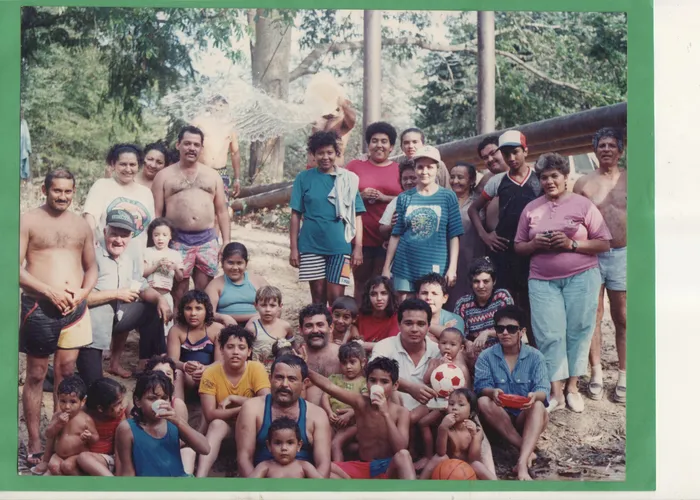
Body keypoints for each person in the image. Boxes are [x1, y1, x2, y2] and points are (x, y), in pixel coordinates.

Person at [514, 153, 612, 413]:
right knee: (549, 334)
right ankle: (555, 392)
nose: (549, 181)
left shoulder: (583, 205)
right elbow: (518, 246)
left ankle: (572, 387)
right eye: (544, 177)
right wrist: (534, 244)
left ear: (565, 177)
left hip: (582, 277)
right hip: (542, 280)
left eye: (554, 176)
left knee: (579, 330)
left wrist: (572, 244)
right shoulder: (532, 208)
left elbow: (604, 242)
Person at [20, 169, 97, 467]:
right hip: (39, 306)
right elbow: (14, 268)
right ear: (45, 189)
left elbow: (91, 267)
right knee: (37, 375)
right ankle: (36, 440)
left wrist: (83, 293)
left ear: (74, 191)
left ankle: (59, 437)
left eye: (67, 191)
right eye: (57, 190)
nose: (62, 196)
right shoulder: (29, 220)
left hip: (75, 309)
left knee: (66, 374)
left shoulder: (81, 225)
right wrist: (50, 291)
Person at [79, 209, 172, 383]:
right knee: (92, 383)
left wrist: (161, 299)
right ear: (105, 231)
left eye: (124, 235)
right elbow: (81, 298)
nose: (119, 240)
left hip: (118, 316)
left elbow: (141, 285)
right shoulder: (92, 254)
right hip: (92, 326)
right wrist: (116, 294)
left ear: (131, 236)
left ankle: (150, 364)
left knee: (153, 309)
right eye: (114, 234)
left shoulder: (129, 256)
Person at [467, 130, 541, 345]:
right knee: (506, 303)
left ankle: (533, 350)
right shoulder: (498, 181)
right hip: (503, 251)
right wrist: (486, 236)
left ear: (526, 151)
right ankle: (509, 349)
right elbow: (474, 209)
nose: (511, 158)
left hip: (531, 252)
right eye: (506, 153)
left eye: (515, 152)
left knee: (530, 304)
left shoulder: (538, 179)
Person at [573, 127, 628, 403]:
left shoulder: (631, 179)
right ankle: (596, 373)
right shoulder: (583, 183)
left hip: (623, 253)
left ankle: (623, 375)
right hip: (592, 255)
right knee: (593, 315)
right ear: (595, 150)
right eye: (601, 145)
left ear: (620, 150)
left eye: (611, 145)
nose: (606, 149)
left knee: (623, 317)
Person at [152, 126, 231, 307]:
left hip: (207, 240)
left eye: (196, 144)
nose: (191, 148)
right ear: (178, 145)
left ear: (202, 148)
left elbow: (222, 211)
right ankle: (179, 330)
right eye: (187, 143)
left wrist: (226, 241)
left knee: (205, 291)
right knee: (178, 291)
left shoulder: (213, 175)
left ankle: (200, 332)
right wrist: (157, 244)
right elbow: (157, 213)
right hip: (177, 239)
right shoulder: (164, 176)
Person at [306, 356, 415, 479]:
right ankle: (355, 485)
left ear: (395, 385)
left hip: (389, 467)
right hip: (365, 467)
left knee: (404, 455)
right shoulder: (360, 403)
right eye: (373, 380)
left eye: (384, 382)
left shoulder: (402, 412)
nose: (377, 386)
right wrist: (305, 368)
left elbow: (400, 448)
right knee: (327, 470)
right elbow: (330, 387)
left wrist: (386, 414)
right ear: (366, 382)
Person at [290, 131, 365, 306]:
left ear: (336, 153)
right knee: (317, 296)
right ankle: (319, 332)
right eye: (320, 153)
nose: (325, 157)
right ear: (313, 155)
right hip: (310, 244)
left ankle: (337, 333)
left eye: (330, 152)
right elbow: (295, 215)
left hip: (340, 245)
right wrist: (294, 248)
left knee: (337, 297)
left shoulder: (347, 180)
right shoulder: (303, 178)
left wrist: (358, 247)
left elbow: (357, 215)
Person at [475, 306, 550, 481]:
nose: (505, 333)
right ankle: (526, 449)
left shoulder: (536, 357)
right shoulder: (486, 356)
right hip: (499, 418)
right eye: (500, 329)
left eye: (512, 328)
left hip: (526, 416)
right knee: (483, 402)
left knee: (538, 404)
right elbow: (480, 387)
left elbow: (544, 390)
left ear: (522, 332)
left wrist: (534, 396)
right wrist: (492, 391)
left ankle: (522, 463)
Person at [383, 146, 463, 299]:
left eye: (430, 167)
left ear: (437, 169)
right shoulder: (404, 197)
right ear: (415, 169)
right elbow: (396, 234)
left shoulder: (448, 197)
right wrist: (386, 267)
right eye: (420, 167)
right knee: (405, 310)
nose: (424, 171)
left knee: (429, 309)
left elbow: (454, 235)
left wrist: (452, 268)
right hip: (405, 264)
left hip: (435, 264)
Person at [236, 355, 332, 478]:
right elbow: (244, 459)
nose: (284, 384)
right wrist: (258, 492)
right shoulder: (252, 408)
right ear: (270, 379)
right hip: (262, 485)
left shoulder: (317, 415)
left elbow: (323, 464)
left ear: (304, 383)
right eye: (279, 378)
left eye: (292, 379)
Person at [196, 325, 271, 477]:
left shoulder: (256, 368)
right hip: (227, 427)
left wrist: (235, 399)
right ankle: (200, 478)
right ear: (222, 350)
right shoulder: (210, 373)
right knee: (217, 424)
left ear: (249, 351)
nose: (236, 352)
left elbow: (267, 401)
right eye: (230, 347)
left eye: (241, 347)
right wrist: (243, 408)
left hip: (253, 427)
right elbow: (210, 414)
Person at [346, 122, 402, 302]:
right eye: (374, 141)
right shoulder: (355, 166)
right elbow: (343, 195)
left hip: (388, 237)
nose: (379, 145)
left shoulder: (399, 169)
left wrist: (384, 197)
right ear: (368, 145)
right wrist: (360, 196)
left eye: (384, 141)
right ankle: (359, 324)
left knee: (382, 285)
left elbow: (407, 197)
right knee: (361, 283)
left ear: (392, 146)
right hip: (359, 237)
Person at [115, 371, 210, 476]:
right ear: (138, 401)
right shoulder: (127, 429)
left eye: (164, 398)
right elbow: (128, 471)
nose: (159, 404)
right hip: (147, 488)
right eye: (152, 398)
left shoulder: (174, 423)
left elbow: (205, 449)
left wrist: (179, 422)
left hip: (177, 485)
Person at [83, 143, 155, 265]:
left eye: (132, 164)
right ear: (113, 164)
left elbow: (151, 227)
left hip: (137, 259)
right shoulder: (102, 185)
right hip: (106, 257)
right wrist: (91, 242)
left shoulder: (146, 192)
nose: (128, 169)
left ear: (139, 166)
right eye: (123, 164)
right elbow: (89, 216)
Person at [417, 327, 470, 466]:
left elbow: (466, 392)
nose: (447, 347)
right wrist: (438, 367)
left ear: (461, 348)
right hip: (435, 403)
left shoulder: (460, 367)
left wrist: (453, 406)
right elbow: (426, 380)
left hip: (452, 407)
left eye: (453, 345)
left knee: (427, 423)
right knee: (421, 422)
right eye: (444, 343)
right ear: (438, 344)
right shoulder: (434, 361)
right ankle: (428, 456)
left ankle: (445, 457)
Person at [454, 257, 515, 374]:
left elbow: (511, 327)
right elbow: (457, 333)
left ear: (494, 281)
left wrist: (487, 333)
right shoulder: (463, 304)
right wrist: (466, 342)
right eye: (476, 281)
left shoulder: (502, 297)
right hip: (474, 355)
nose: (481, 286)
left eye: (486, 281)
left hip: (501, 351)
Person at [419, 388, 496, 480]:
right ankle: (419, 485)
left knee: (477, 465)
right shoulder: (445, 426)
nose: (454, 407)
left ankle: (497, 487)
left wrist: (475, 436)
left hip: (467, 470)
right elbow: (441, 452)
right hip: (446, 468)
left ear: (471, 413)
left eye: (461, 404)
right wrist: (443, 428)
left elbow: (473, 458)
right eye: (451, 404)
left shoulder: (477, 430)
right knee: (439, 457)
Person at [30, 376, 98, 475]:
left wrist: (89, 437)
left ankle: (80, 484)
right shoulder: (57, 416)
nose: (67, 406)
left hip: (76, 456)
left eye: (73, 402)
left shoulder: (85, 419)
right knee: (52, 466)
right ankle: (61, 482)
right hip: (58, 455)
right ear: (58, 398)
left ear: (83, 401)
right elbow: (49, 435)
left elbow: (96, 438)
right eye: (63, 401)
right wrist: (58, 424)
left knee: (68, 466)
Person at [166, 290, 223, 402]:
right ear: (182, 310)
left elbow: (221, 361)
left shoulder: (217, 330)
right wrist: (184, 366)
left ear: (206, 310)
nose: (193, 313)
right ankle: (178, 408)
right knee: (176, 373)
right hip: (187, 376)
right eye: (188, 308)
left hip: (210, 373)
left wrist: (205, 369)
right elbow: (172, 360)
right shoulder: (176, 330)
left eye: (198, 308)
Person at [446, 162, 486, 310]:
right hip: (448, 259)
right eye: (452, 177)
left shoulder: (480, 201)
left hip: (473, 256)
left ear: (472, 180)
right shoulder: (444, 199)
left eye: (460, 177)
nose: (455, 181)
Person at [320, 342, 368, 461]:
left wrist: (350, 414)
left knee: (335, 444)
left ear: (363, 362)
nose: (348, 366)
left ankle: (338, 473)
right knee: (324, 441)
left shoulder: (364, 382)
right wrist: (329, 412)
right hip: (333, 421)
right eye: (344, 363)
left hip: (353, 423)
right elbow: (325, 397)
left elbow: (365, 401)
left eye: (352, 362)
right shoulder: (335, 379)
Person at [191, 95, 242, 198]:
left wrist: (237, 179)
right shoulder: (198, 122)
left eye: (222, 105)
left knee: (222, 206)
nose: (219, 108)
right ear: (210, 106)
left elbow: (235, 153)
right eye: (217, 105)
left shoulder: (230, 127)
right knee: (197, 205)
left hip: (220, 172)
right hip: (200, 170)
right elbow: (185, 143)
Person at [206, 242, 268, 326]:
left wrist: (258, 318)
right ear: (222, 263)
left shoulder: (258, 281)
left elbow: (276, 308)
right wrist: (223, 317)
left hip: (258, 325)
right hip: (227, 326)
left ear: (246, 263)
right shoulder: (214, 285)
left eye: (239, 263)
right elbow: (208, 314)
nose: (235, 268)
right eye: (230, 263)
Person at [76, 377, 128, 476]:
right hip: (89, 457)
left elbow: (120, 448)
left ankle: (114, 486)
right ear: (100, 408)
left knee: (84, 458)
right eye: (117, 404)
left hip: (109, 458)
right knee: (67, 465)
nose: (122, 407)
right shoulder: (83, 414)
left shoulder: (120, 415)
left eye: (121, 402)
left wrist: (120, 473)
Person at [143, 217, 184, 333]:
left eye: (164, 235)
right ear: (152, 236)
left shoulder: (175, 254)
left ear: (170, 236)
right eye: (156, 235)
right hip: (149, 296)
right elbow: (143, 273)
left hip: (166, 295)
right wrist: (156, 265)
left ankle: (166, 350)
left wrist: (175, 267)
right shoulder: (147, 252)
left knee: (166, 327)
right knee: (148, 328)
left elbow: (180, 278)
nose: (160, 238)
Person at [249, 417, 325, 478]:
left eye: (290, 443)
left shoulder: (304, 466)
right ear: (269, 446)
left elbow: (321, 487)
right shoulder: (264, 466)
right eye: (278, 443)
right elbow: (249, 487)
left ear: (299, 445)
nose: (284, 448)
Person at [297, 304, 341, 407]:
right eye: (309, 326)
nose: (315, 330)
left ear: (331, 328)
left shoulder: (343, 356)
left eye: (320, 325)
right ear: (300, 330)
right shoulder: (295, 358)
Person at [245, 286, 294, 370]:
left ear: (280, 306)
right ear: (256, 305)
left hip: (279, 372)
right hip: (257, 372)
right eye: (263, 305)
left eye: (272, 305)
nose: (268, 309)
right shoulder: (252, 328)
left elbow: (292, 348)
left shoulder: (286, 327)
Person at [352, 275, 400, 352]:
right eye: (373, 294)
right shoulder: (362, 314)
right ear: (367, 296)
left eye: (384, 293)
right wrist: (356, 335)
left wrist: (362, 345)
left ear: (390, 296)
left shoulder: (395, 317)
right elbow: (351, 325)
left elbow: (391, 346)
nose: (379, 298)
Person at [307, 97, 357, 168]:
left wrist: (344, 105)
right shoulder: (318, 118)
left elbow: (352, 119)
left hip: (333, 172)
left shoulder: (341, 121)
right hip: (312, 170)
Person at [415, 273, 465, 342]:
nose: (429, 297)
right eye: (424, 293)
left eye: (434, 293)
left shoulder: (454, 319)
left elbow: (454, 340)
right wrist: (442, 331)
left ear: (445, 298)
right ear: (417, 296)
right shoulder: (408, 316)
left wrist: (423, 325)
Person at [475, 135, 508, 233]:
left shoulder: (528, 173)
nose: (489, 159)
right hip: (494, 242)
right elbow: (472, 209)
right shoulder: (486, 180)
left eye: (493, 153)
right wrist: (484, 236)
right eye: (485, 157)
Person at [378, 159, 418, 241]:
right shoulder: (397, 201)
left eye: (413, 178)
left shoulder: (430, 199)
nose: (409, 182)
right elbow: (382, 229)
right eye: (405, 179)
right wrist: (391, 225)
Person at [20, 108, 32, 185]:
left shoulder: (24, 123)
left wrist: (28, 148)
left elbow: (27, 136)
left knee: (24, 163)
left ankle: (23, 181)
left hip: (23, 146)